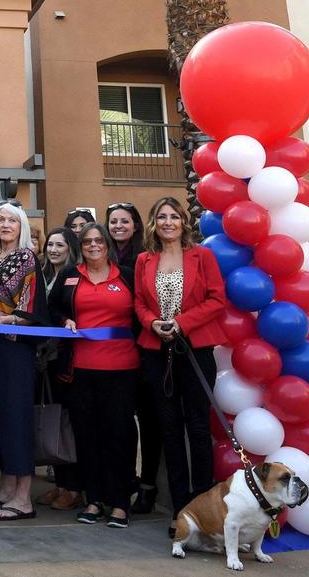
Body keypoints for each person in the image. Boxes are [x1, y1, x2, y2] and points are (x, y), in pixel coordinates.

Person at [134, 196, 227, 534]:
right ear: (153, 223)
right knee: (169, 430)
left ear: (184, 222)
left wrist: (183, 323)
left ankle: (205, 509)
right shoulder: (145, 259)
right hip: (157, 352)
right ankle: (181, 509)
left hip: (196, 349)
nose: (168, 222)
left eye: (174, 216)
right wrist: (152, 323)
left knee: (199, 429)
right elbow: (139, 303)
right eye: (162, 217)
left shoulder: (203, 256)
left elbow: (217, 299)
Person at [49, 222, 138, 528]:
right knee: (87, 438)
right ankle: (93, 500)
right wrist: (64, 321)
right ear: (81, 246)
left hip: (122, 371)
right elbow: (52, 309)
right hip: (81, 371)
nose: (94, 245)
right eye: (87, 241)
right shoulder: (70, 275)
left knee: (119, 437)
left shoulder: (126, 275)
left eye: (99, 240)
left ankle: (120, 504)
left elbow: (142, 312)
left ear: (107, 244)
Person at [0, 201, 46, 521]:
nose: (4, 224)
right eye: (0, 219)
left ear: (21, 226)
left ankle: (24, 498)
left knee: (15, 420)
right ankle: (5, 488)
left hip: (14, 348)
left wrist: (10, 320)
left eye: (11, 220)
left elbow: (32, 309)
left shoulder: (27, 258)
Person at [105, 201, 158, 514]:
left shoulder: (144, 257)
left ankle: (148, 485)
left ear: (136, 225)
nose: (118, 227)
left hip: (145, 348)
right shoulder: (104, 256)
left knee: (149, 423)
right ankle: (123, 482)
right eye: (113, 222)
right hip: (113, 355)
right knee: (121, 423)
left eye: (124, 221)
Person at [35, 227, 83, 513]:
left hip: (68, 361)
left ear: (70, 248)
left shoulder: (75, 276)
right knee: (54, 420)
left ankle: (74, 487)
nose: (53, 250)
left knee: (68, 425)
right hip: (46, 361)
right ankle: (62, 483)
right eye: (50, 245)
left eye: (59, 245)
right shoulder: (44, 275)